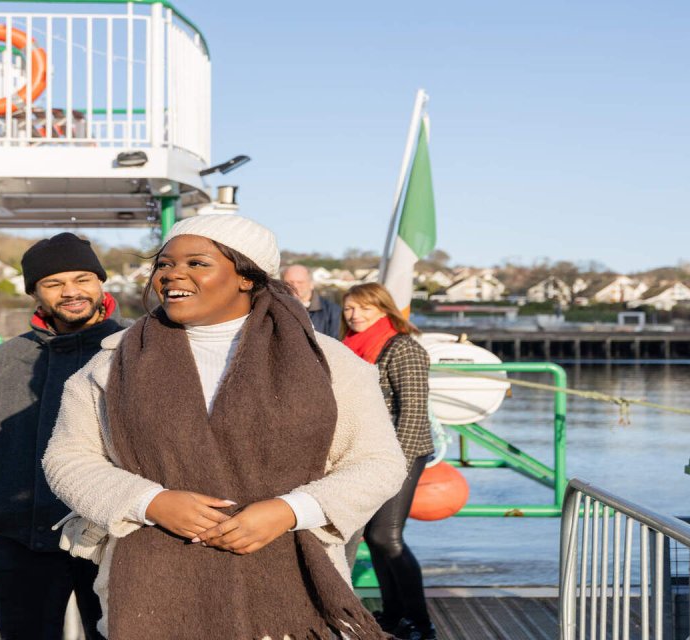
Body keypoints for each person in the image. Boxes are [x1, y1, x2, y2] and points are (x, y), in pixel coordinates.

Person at [43, 215, 407, 639]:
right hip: (152, 590)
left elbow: (379, 463)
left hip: (293, 587)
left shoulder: (329, 362)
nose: (172, 274)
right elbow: (67, 459)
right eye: (164, 264)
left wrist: (290, 510)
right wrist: (149, 502)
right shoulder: (110, 364)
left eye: (197, 263)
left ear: (247, 277)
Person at [0, 233, 122, 639]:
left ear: (100, 282)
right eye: (54, 283)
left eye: (82, 279)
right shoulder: (3, 359)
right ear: (34, 293)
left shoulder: (134, 349)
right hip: (21, 538)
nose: (71, 291)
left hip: (114, 535)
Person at [341, 282, 436, 640]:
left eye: (365, 308)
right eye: (349, 308)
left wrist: (393, 465)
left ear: (384, 309)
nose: (356, 315)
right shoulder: (349, 348)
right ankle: (394, 615)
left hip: (401, 453)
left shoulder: (403, 347)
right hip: (366, 455)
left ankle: (421, 624)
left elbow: (413, 412)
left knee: (386, 536)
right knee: (374, 536)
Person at [281, 264, 341, 337]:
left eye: (300, 282)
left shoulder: (332, 311)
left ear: (311, 284)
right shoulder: (275, 308)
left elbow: (336, 340)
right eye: (290, 283)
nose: (295, 286)